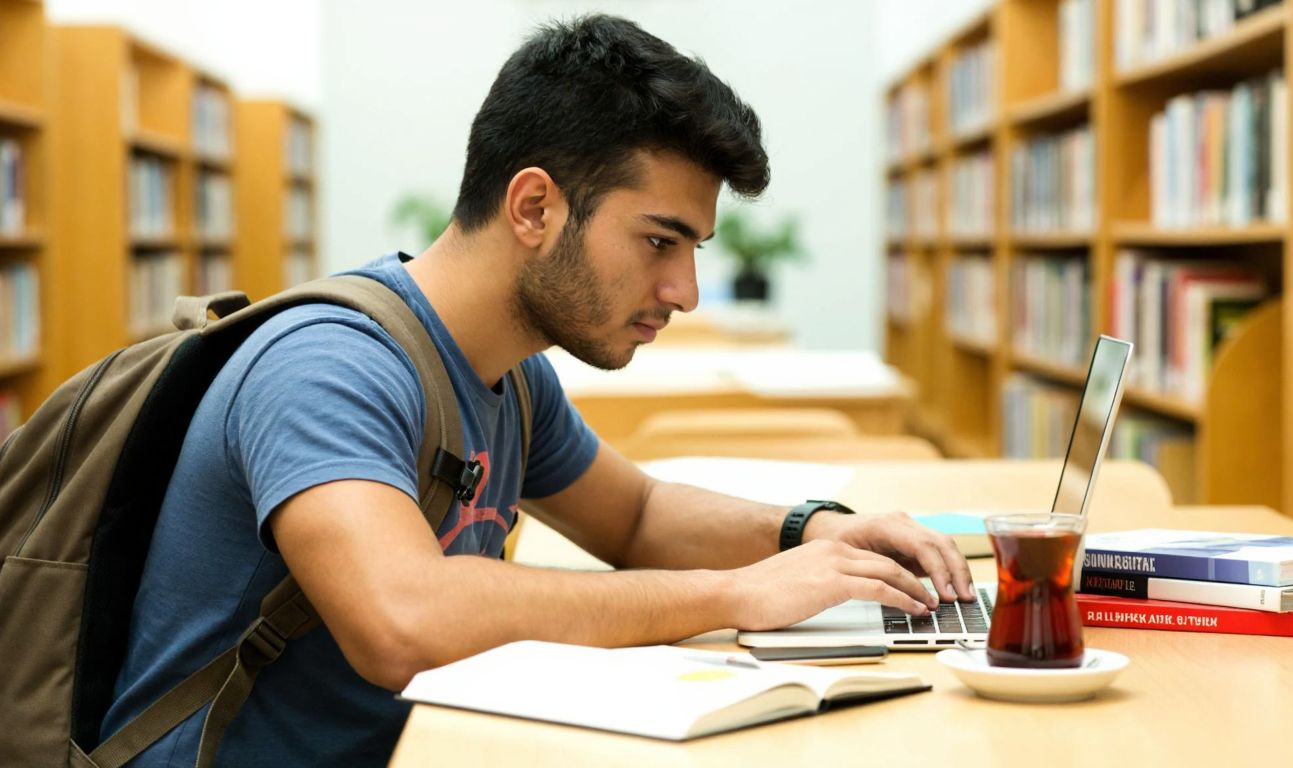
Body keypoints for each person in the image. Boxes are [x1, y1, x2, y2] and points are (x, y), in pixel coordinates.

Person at [100, 14, 974, 766]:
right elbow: (402, 620)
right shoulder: (329, 366)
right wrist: (739, 592)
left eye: (693, 250)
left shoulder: (509, 375)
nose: (685, 292)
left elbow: (633, 516)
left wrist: (815, 534)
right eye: (660, 241)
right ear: (533, 208)